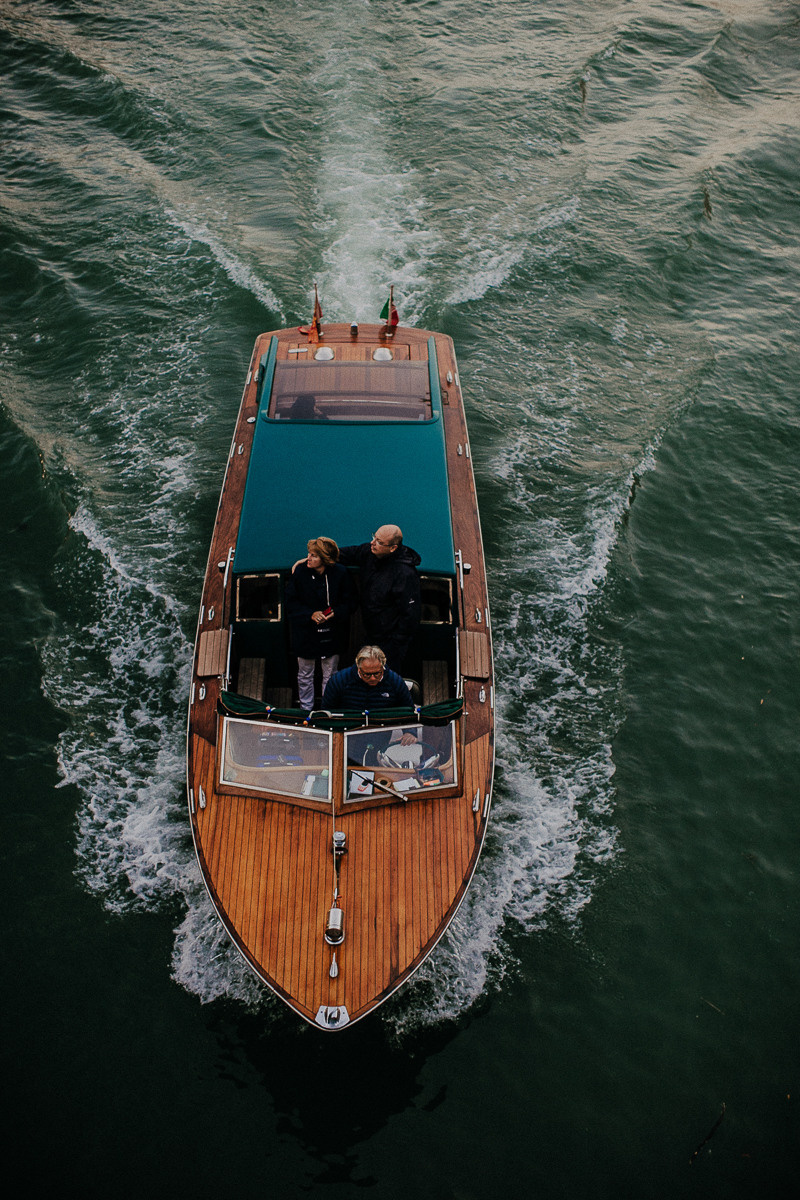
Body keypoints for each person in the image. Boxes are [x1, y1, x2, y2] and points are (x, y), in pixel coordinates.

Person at [337, 524, 421, 672]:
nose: (372, 543)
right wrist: (313, 558)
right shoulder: (369, 553)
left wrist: (397, 643)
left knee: (384, 674)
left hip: (389, 640)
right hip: (371, 631)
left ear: (393, 548)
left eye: (379, 542)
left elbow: (410, 614)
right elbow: (345, 554)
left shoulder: (405, 574)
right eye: (373, 537)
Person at [285, 537, 355, 710]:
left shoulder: (341, 573)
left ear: (325, 559)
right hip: (305, 633)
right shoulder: (300, 572)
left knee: (330, 674)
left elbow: (351, 602)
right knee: (304, 674)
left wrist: (334, 613)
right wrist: (310, 614)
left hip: (332, 632)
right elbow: (290, 601)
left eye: (314, 556)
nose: (308, 558)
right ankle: (306, 709)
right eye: (309, 554)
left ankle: (327, 708)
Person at [322, 645, 414, 712]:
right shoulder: (339, 681)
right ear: (359, 668)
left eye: (377, 673)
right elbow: (326, 712)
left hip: (381, 732)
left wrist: (410, 732)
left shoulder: (395, 681)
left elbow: (408, 709)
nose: (373, 678)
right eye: (367, 674)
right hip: (347, 732)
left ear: (383, 667)